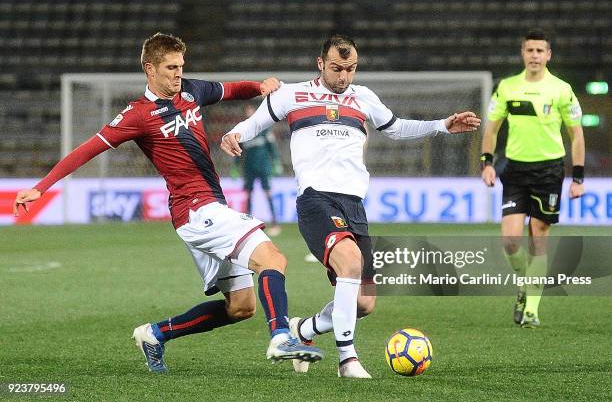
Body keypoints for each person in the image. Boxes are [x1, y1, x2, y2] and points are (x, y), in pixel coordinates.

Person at [13, 32, 322, 373]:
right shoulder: (137, 115)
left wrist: (259, 86)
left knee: (241, 307)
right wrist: (41, 187)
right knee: (272, 258)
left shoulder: (191, 90)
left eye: (181, 66)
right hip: (196, 209)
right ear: (150, 69)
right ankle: (281, 336)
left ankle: (155, 334)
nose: (178, 73)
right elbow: (88, 149)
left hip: (205, 209)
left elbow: (230, 90)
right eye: (171, 67)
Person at [221, 34, 480, 378]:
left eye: (350, 69)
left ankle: (305, 330)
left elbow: (396, 127)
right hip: (317, 199)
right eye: (336, 68)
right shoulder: (293, 95)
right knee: (351, 263)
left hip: (354, 206)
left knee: (364, 303)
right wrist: (234, 135)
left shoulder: (364, 97)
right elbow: (254, 124)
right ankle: (348, 360)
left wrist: (442, 126)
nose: (343, 76)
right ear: (320, 64)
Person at [480, 28, 585, 328]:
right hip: (515, 170)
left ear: (548, 54)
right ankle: (526, 282)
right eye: (530, 50)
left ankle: (531, 310)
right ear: (523, 53)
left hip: (550, 170)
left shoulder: (562, 90)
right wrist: (486, 163)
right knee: (510, 241)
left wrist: (578, 177)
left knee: (539, 239)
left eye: (540, 50)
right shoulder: (508, 87)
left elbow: (576, 135)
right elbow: (491, 129)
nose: (535, 55)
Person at [232, 104, 283, 236]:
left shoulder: (264, 130)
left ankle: (275, 223)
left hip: (263, 166)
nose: (249, 113)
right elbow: (239, 150)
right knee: (249, 194)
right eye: (247, 111)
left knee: (268, 193)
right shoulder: (243, 132)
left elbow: (272, 148)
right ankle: (247, 225)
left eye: (251, 110)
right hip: (249, 167)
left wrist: (276, 162)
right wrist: (235, 166)